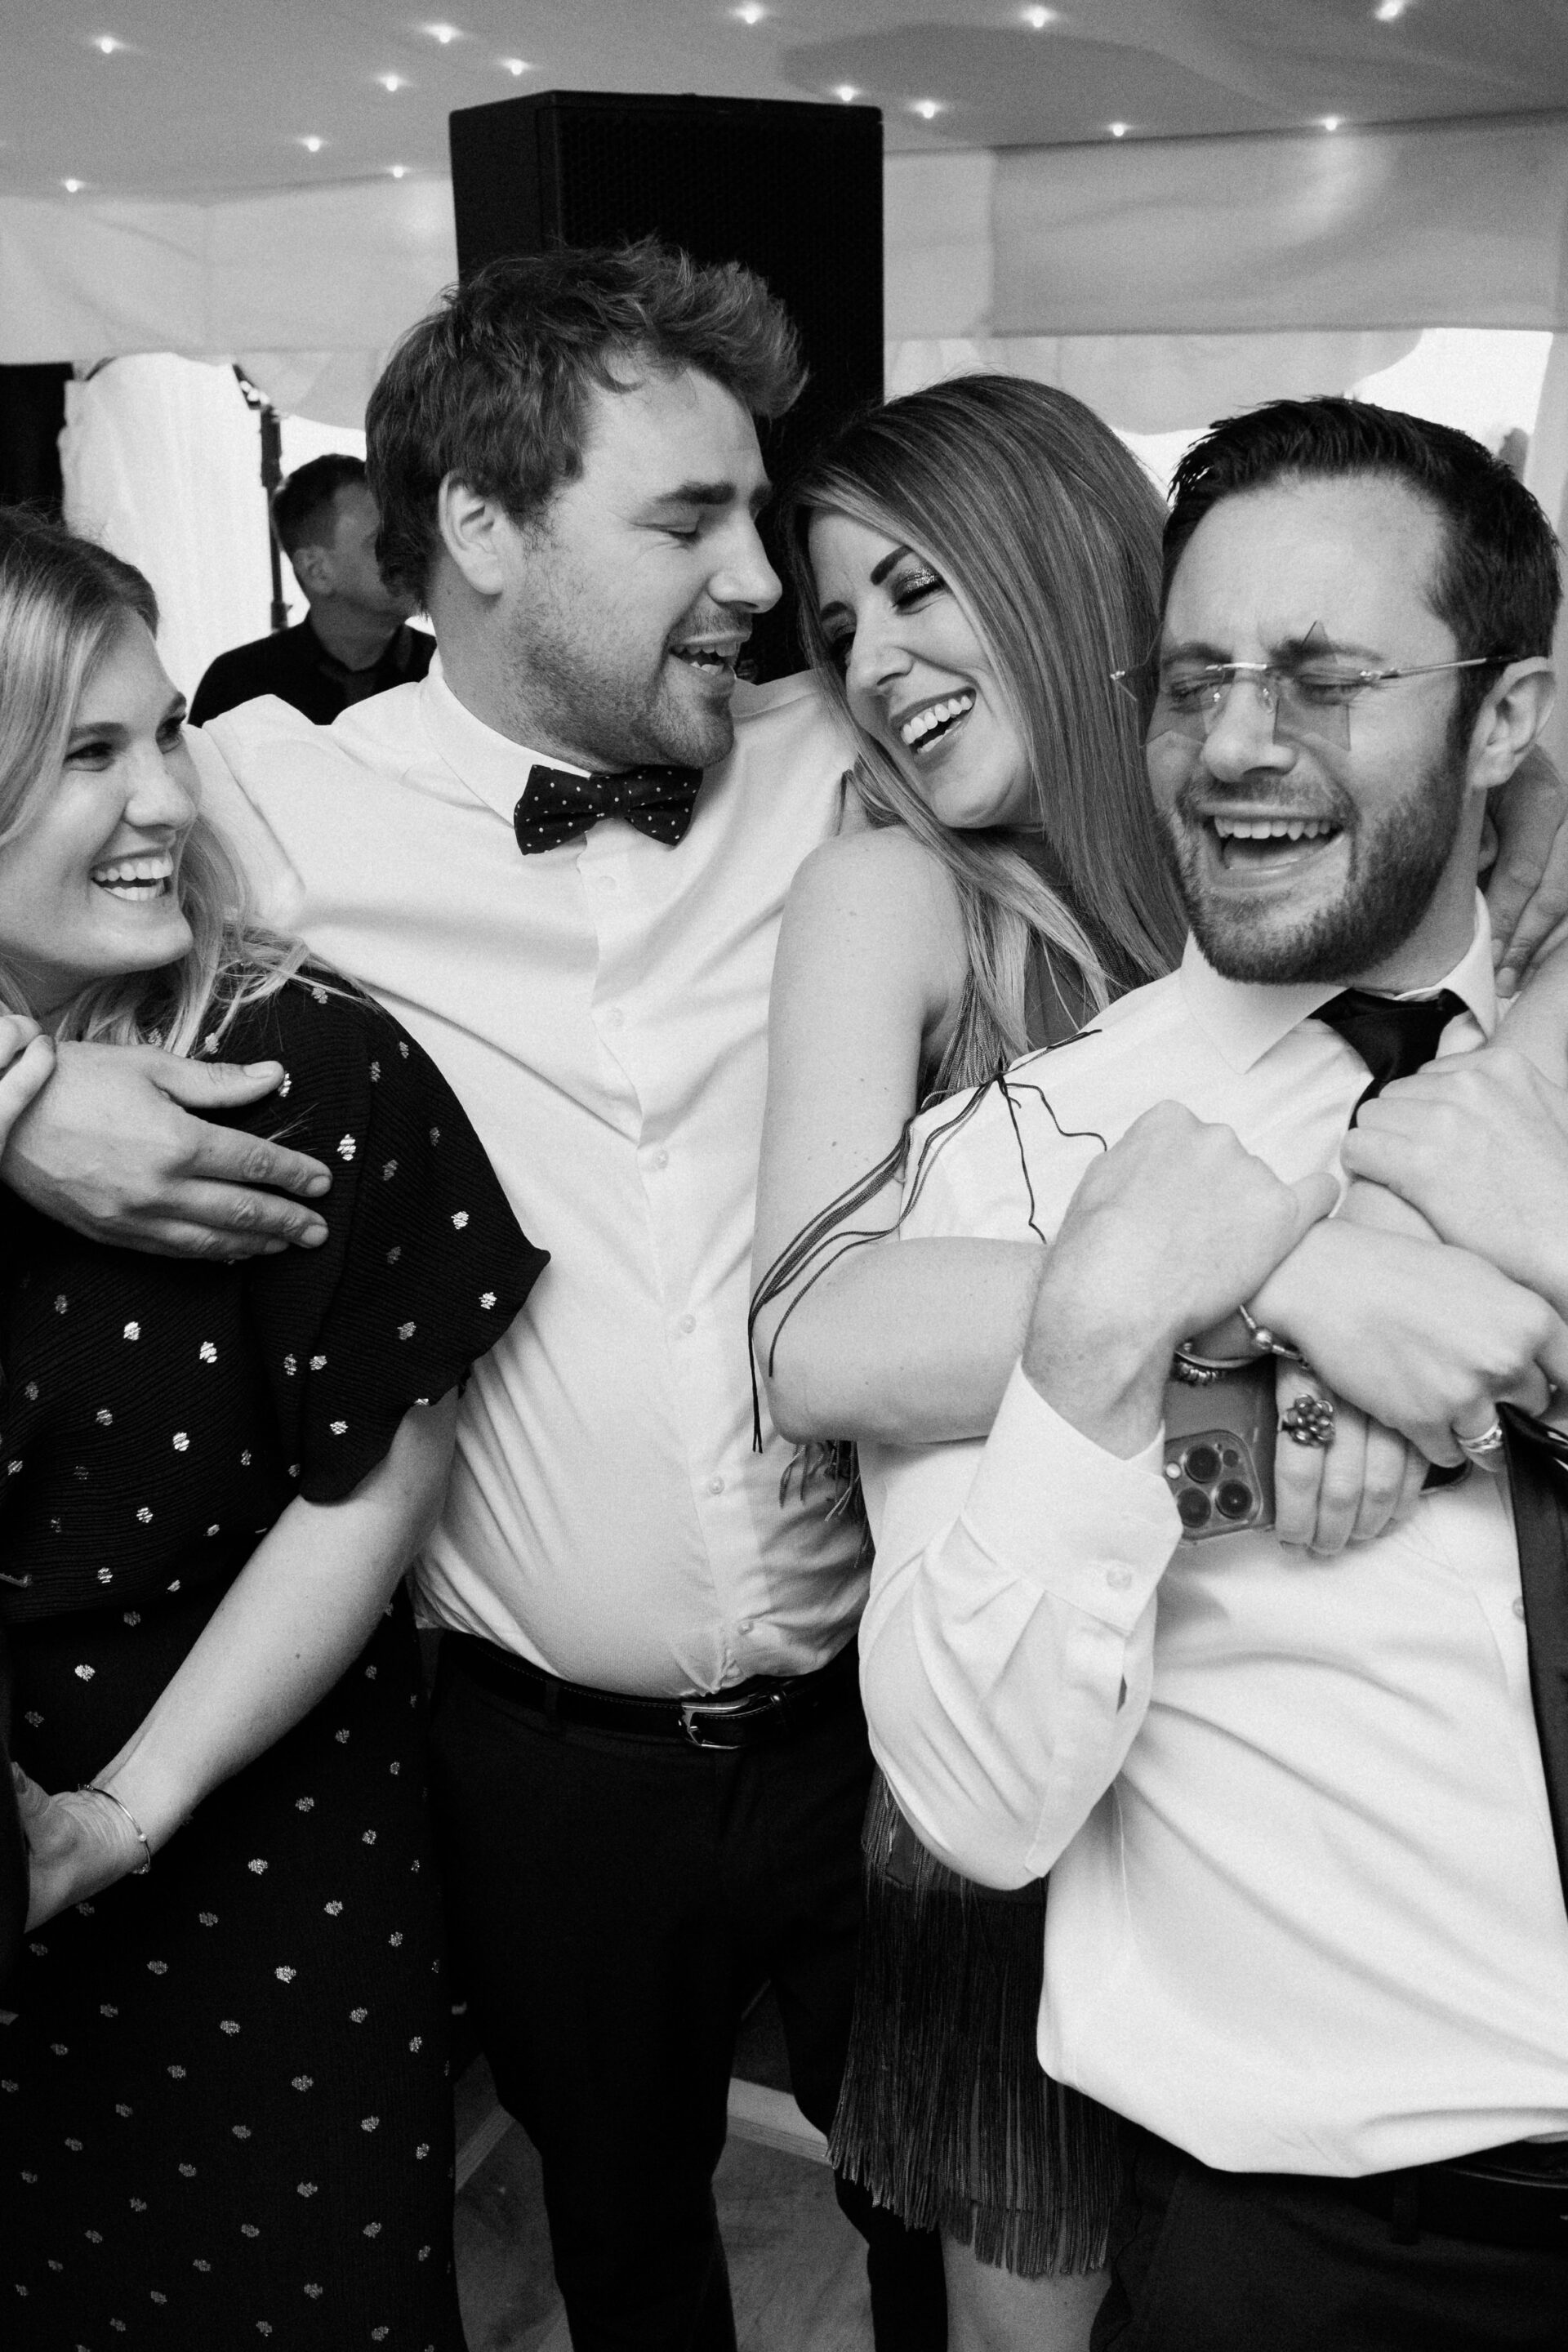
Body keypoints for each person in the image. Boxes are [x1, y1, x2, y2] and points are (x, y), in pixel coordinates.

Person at [0, 245, 945, 2350]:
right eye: (686, 521)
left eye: (757, 518)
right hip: (538, 1763)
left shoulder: (846, 763)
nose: (758, 580)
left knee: (951, 2233)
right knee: (621, 2236)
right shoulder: (254, 796)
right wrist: (22, 1087)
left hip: (884, 1719)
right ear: (485, 532)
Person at [849, 397, 1568, 2350]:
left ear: (1504, 716)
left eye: (1324, 678)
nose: (1239, 741)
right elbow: (974, 1800)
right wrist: (1125, 1354)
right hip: (1325, 2249)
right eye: (1194, 682)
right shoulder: (1025, 1162)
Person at [0, 509, 544, 2347]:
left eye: (165, 732)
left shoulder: (297, 1061)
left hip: (255, 1827)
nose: (167, 796)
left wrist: (118, 1817)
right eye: (87, 752)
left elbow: (377, 1478)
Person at [189, 453, 434, 726]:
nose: (412, 548)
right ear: (316, 571)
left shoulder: (452, 676)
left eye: (409, 531)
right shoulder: (237, 689)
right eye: (381, 540)